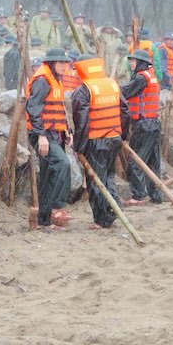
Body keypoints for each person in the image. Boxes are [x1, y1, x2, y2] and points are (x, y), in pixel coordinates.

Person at [70, 55, 128, 228]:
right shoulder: (111, 84)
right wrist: (122, 135)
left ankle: (102, 219)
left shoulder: (84, 90)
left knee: (95, 180)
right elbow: (124, 110)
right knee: (108, 175)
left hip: (96, 140)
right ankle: (113, 208)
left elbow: (82, 121)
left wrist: (79, 146)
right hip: (113, 137)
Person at [25, 48, 74, 230]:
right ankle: (57, 206)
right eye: (60, 63)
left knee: (46, 176)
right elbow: (33, 108)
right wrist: (41, 135)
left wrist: (67, 131)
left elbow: (59, 108)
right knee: (62, 164)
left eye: (65, 63)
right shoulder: (42, 81)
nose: (64, 66)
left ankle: (43, 221)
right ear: (51, 63)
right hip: (44, 135)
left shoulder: (55, 80)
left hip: (55, 133)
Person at [120, 49, 162, 205]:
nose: (131, 63)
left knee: (135, 161)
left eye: (133, 61)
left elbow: (124, 92)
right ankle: (156, 194)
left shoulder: (141, 78)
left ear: (141, 63)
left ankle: (138, 196)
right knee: (152, 162)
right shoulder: (151, 76)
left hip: (144, 124)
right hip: (153, 123)